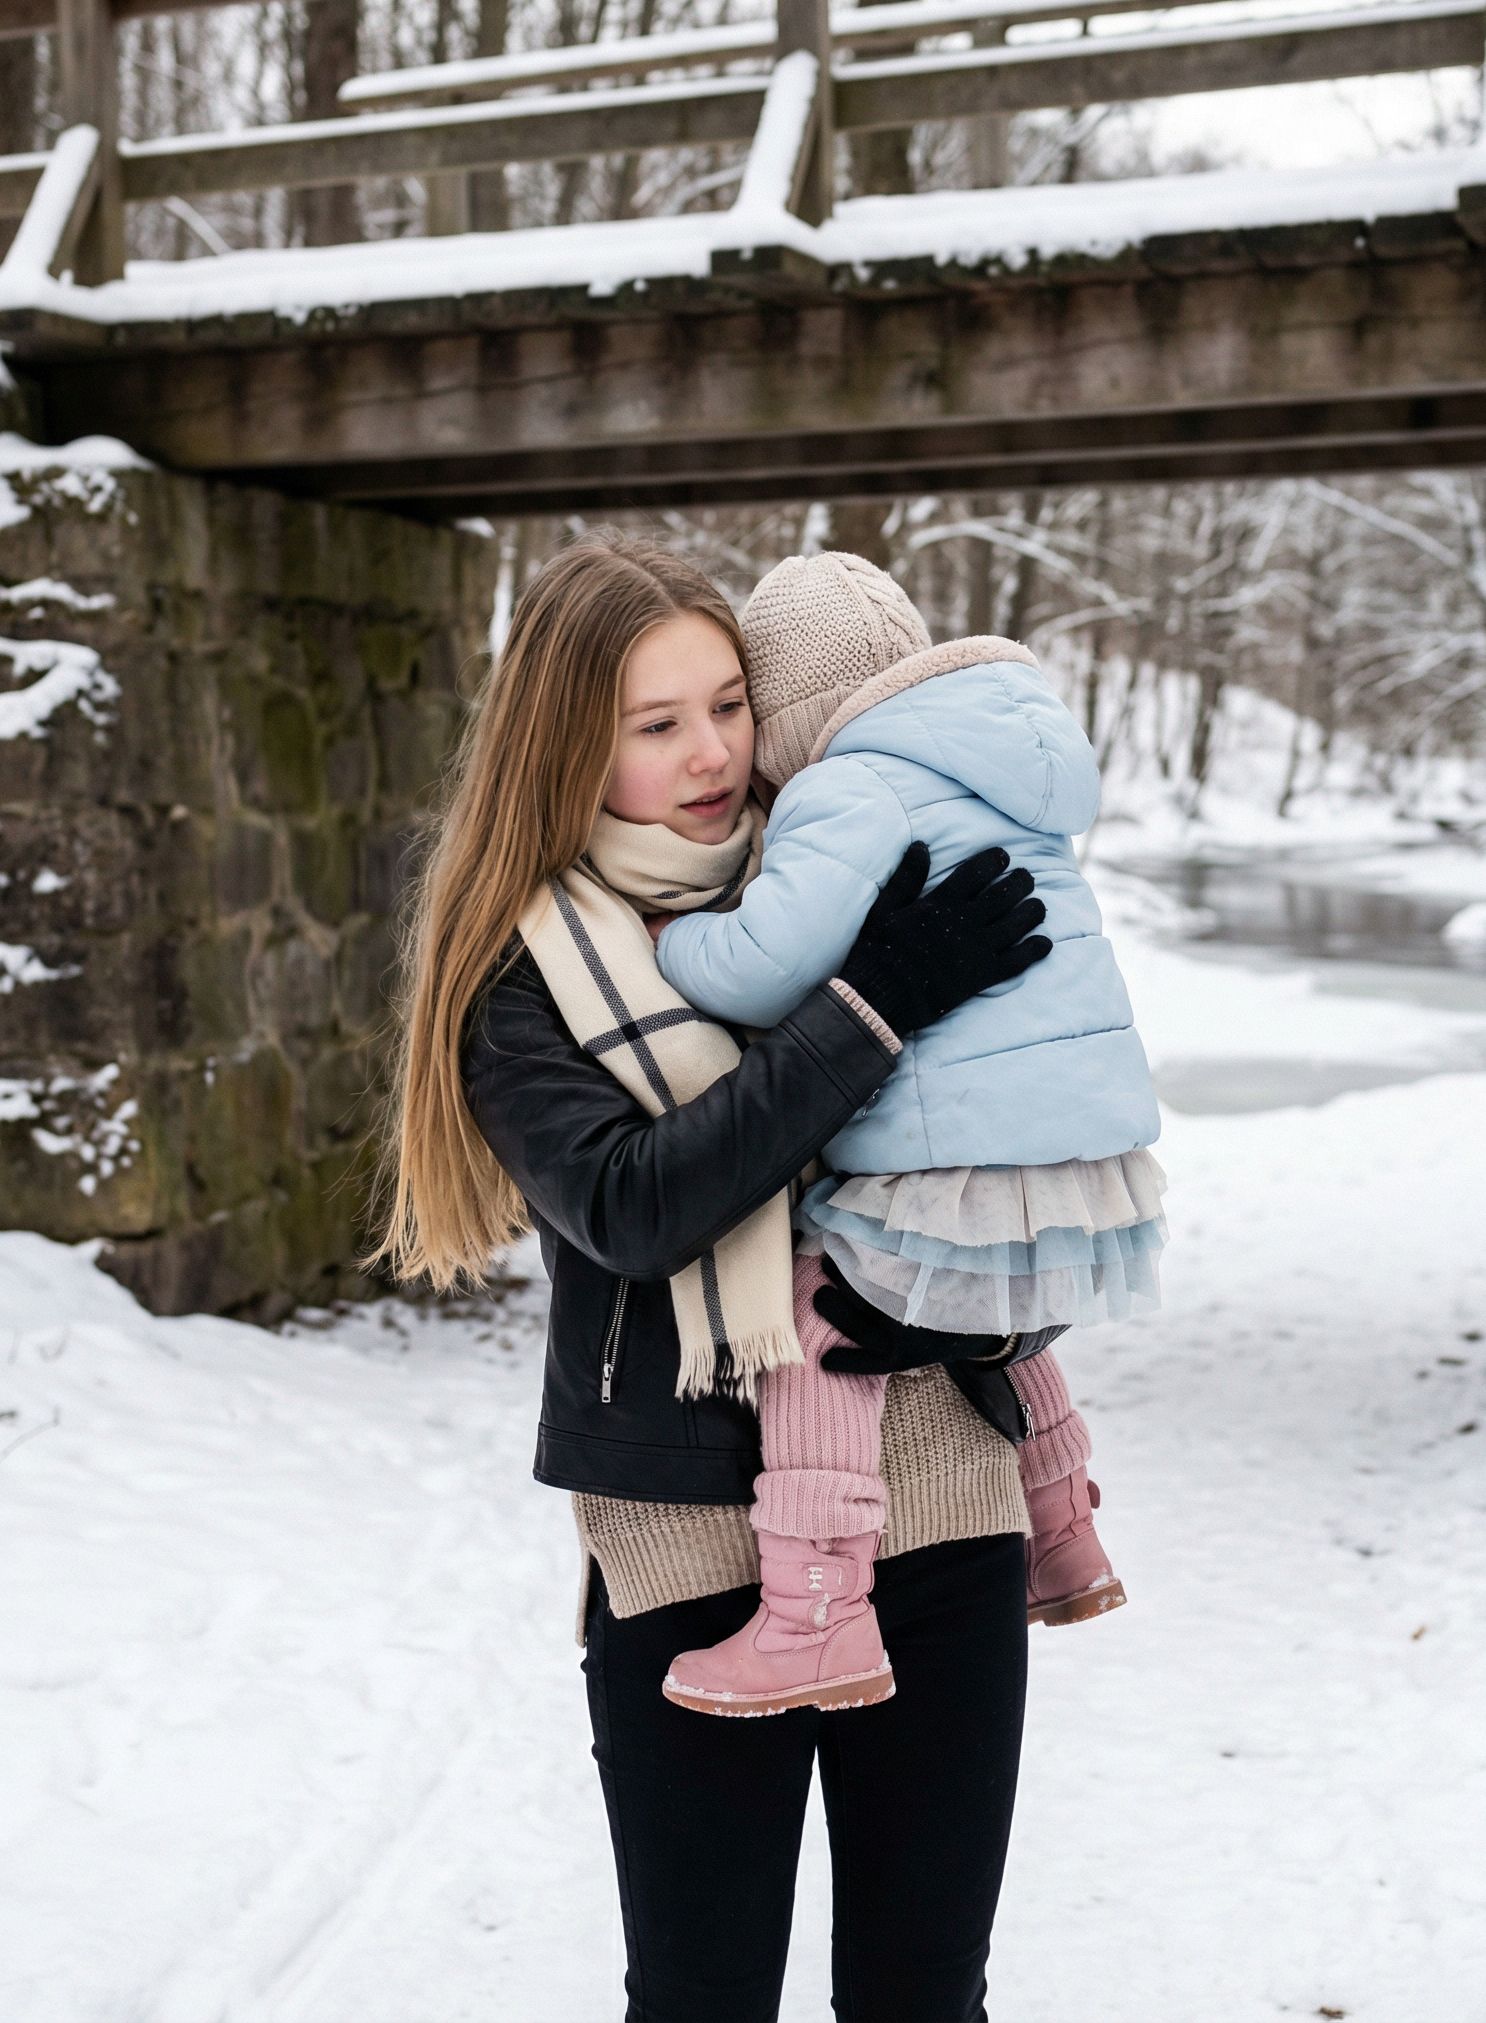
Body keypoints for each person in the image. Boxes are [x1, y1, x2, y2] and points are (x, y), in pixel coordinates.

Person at [375, 529, 1056, 2023]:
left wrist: (996, 1300)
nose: (711, 755)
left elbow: (1017, 1163)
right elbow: (635, 1206)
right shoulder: (525, 976)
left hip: (938, 1507)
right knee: (702, 1998)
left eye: (728, 707)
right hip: (687, 1548)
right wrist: (874, 1004)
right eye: (655, 722)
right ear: (568, 749)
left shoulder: (859, 872)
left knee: (925, 1994)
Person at [653, 552, 1164, 1717]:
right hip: (1087, 1162)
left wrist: (670, 935)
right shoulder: (1004, 769)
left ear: (786, 713)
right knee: (993, 1304)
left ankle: (812, 1615)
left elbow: (761, 965)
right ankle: (1064, 1533)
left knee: (815, 1310)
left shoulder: (853, 785)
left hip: (961, 1152)